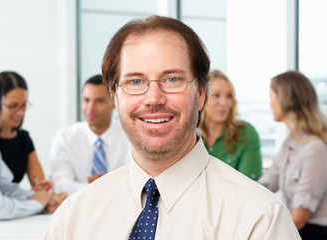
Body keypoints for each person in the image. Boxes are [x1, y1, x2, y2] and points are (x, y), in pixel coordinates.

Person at [45, 16, 300, 239]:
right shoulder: (72, 219)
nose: (153, 98)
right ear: (115, 97)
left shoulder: (259, 220)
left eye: (172, 79)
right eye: (135, 81)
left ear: (200, 94)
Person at [0, 73, 66, 228]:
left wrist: (43, 198)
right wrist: (36, 203)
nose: (19, 113)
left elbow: (5, 188)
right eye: (10, 106)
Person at [259, 71, 327, 239]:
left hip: (313, 232)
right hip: (296, 229)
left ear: (285, 99)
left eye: (271, 97)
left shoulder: (315, 148)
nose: (270, 103)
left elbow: (301, 216)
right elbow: (266, 183)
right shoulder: (290, 143)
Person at [49, 74, 131, 195]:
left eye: (99, 101)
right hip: (79, 207)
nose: (90, 108)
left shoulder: (129, 136)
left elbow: (137, 180)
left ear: (114, 102)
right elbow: (59, 183)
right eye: (86, 100)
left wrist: (102, 187)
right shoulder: (65, 137)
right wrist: (93, 189)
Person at [0, 71, 52, 191]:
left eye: (23, 105)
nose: (20, 112)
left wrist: (43, 193)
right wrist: (29, 196)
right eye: (13, 106)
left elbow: (40, 184)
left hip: (14, 206)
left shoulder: (23, 139)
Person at [199, 69, 262, 180]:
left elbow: (249, 186)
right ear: (201, 97)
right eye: (216, 95)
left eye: (229, 96)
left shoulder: (246, 134)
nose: (224, 103)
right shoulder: (189, 134)